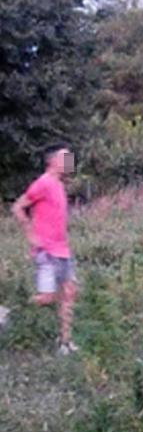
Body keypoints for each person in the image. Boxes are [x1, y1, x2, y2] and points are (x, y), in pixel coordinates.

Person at [11, 143, 79, 355]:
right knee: (47, 297)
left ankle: (65, 343)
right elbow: (18, 207)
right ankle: (10, 314)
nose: (70, 162)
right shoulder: (43, 183)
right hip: (47, 252)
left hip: (62, 250)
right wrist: (31, 236)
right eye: (65, 158)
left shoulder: (59, 185)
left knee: (69, 293)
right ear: (52, 162)